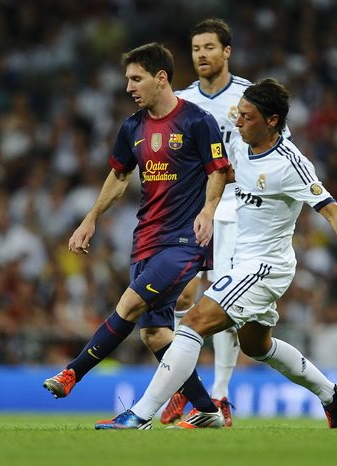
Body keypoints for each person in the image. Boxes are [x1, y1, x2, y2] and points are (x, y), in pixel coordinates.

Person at [95, 78, 337, 430]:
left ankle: (141, 414)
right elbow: (223, 175)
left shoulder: (290, 163)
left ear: (272, 121)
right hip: (243, 262)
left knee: (193, 324)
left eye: (247, 116)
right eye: (238, 114)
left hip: (264, 267)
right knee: (257, 346)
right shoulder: (241, 148)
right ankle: (330, 394)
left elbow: (332, 208)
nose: (238, 122)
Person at [42, 42, 231, 429]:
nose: (128, 87)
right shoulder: (132, 127)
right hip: (145, 240)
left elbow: (218, 170)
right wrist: (91, 217)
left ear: (161, 78)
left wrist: (209, 210)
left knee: (128, 305)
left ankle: (73, 373)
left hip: (184, 241)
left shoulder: (197, 121)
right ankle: (206, 409)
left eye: (136, 79)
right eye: (127, 79)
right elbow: (119, 175)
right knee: (156, 335)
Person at [161, 18, 291, 427]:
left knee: (225, 302)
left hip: (237, 210)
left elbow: (277, 149)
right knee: (181, 297)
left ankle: (219, 395)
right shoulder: (182, 101)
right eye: (196, 48)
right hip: (193, 209)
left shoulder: (248, 98)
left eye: (209, 47)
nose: (201, 55)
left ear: (226, 51)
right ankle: (188, 387)